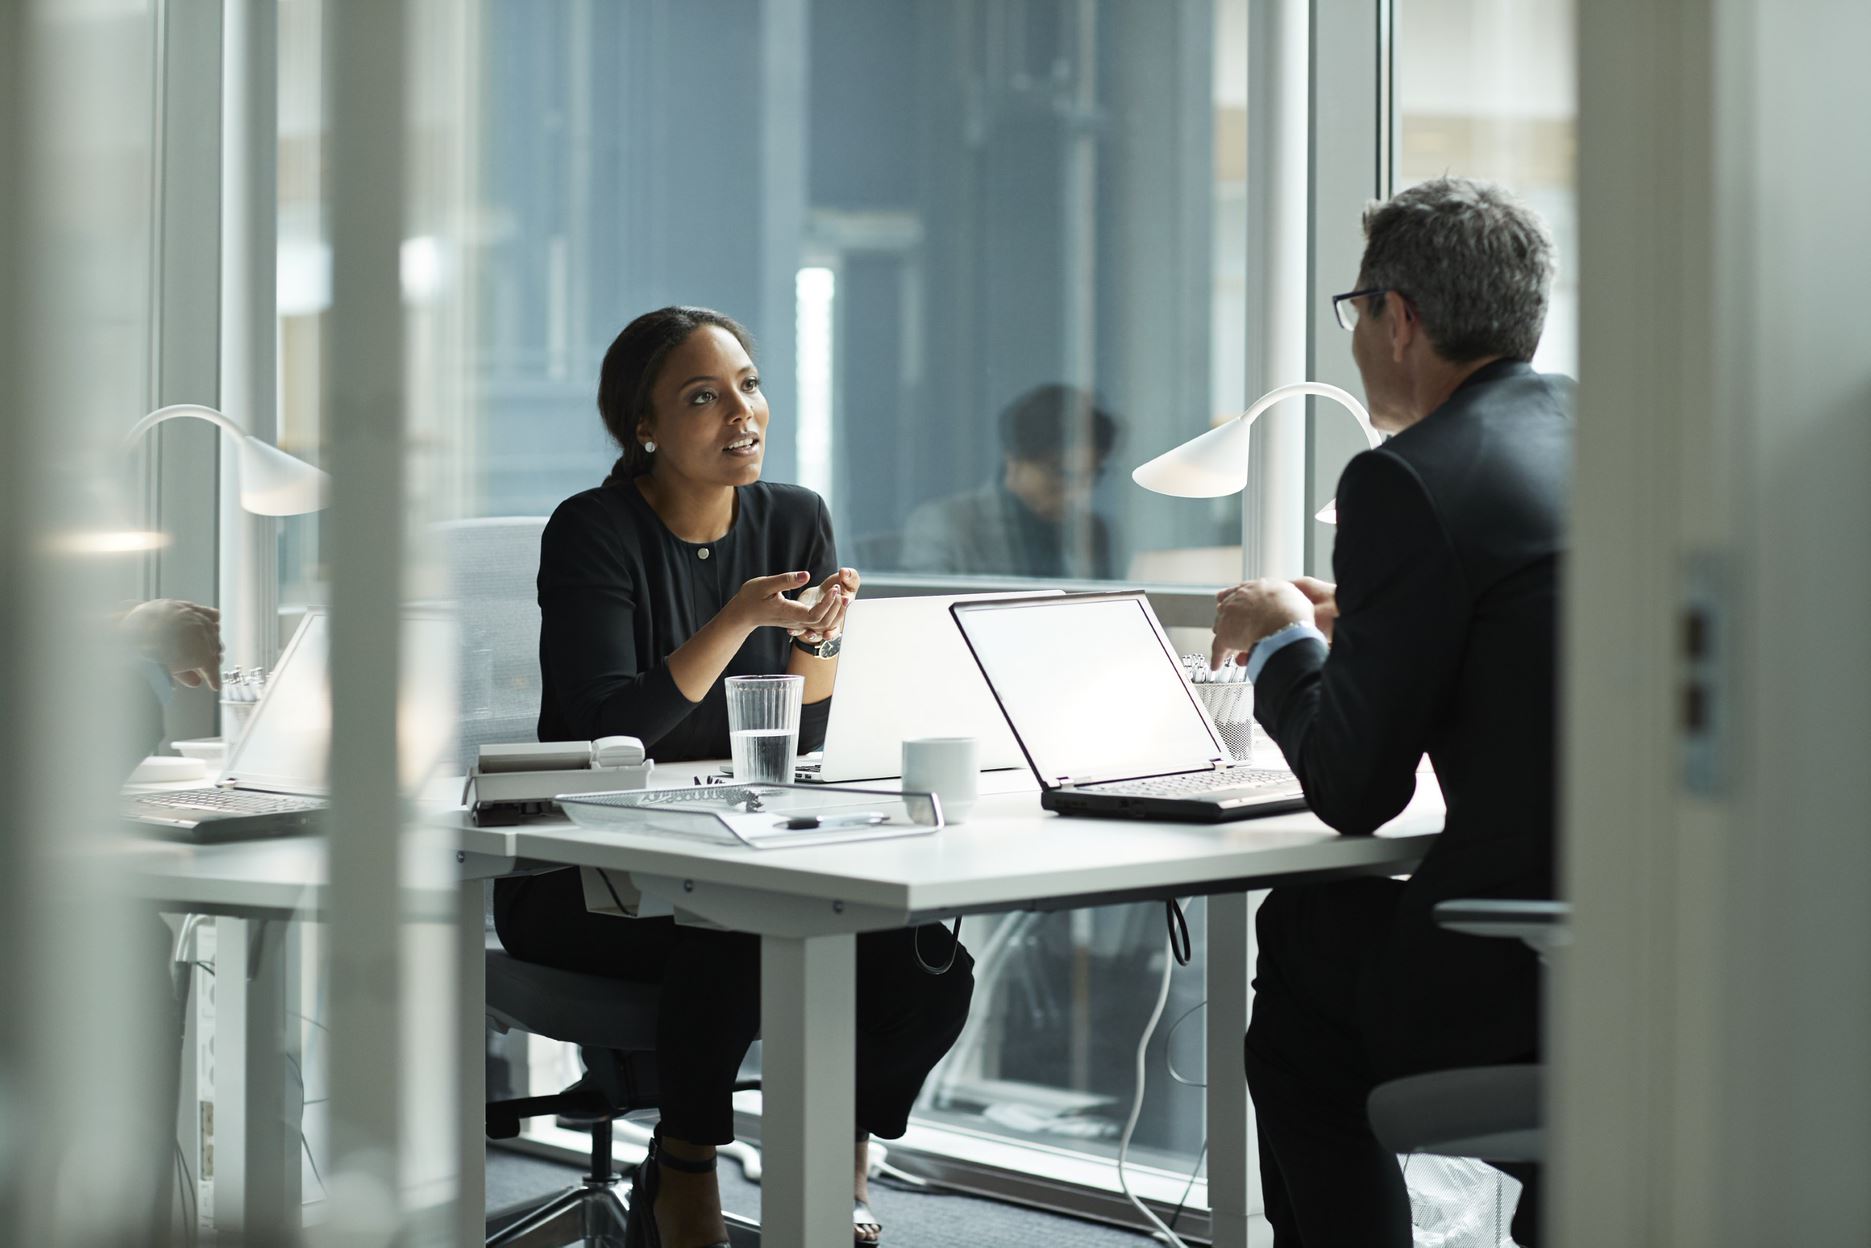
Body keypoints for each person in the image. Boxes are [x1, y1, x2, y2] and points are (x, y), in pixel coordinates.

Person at [493, 306, 974, 1248]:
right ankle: (685, 1173)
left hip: (735, 842)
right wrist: (737, 623)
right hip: (578, 872)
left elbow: (807, 739)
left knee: (924, 961)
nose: (741, 413)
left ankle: (838, 1153)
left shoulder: (794, 517)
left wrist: (820, 635)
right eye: (703, 397)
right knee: (739, 931)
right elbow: (609, 729)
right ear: (644, 425)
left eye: (748, 386)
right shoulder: (592, 530)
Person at [1210, 178, 1572, 1247]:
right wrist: (1361, 628)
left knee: (1307, 949)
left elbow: (1352, 787)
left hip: (1523, 971)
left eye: (1354, 309)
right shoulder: (1615, 437)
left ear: (1396, 317)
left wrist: (1282, 635)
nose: (1354, 337)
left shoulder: (1402, 480)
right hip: (1678, 951)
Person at [900, 384, 1120, 579]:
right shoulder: (946, 524)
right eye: (1061, 473)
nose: (1076, 493)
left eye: (1089, 476)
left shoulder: (1093, 531)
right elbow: (926, 613)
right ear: (1014, 459)